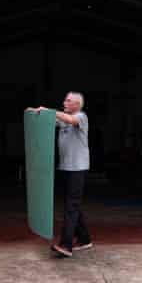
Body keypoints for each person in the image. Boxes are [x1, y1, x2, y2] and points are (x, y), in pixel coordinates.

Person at [29, 92, 92, 258]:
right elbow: (48, 122)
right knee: (72, 204)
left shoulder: (81, 116)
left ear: (77, 104)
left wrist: (48, 111)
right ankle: (85, 239)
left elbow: (70, 120)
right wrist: (36, 113)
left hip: (78, 168)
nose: (64, 102)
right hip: (66, 167)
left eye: (68, 100)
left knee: (71, 206)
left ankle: (66, 245)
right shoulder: (64, 119)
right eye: (65, 99)